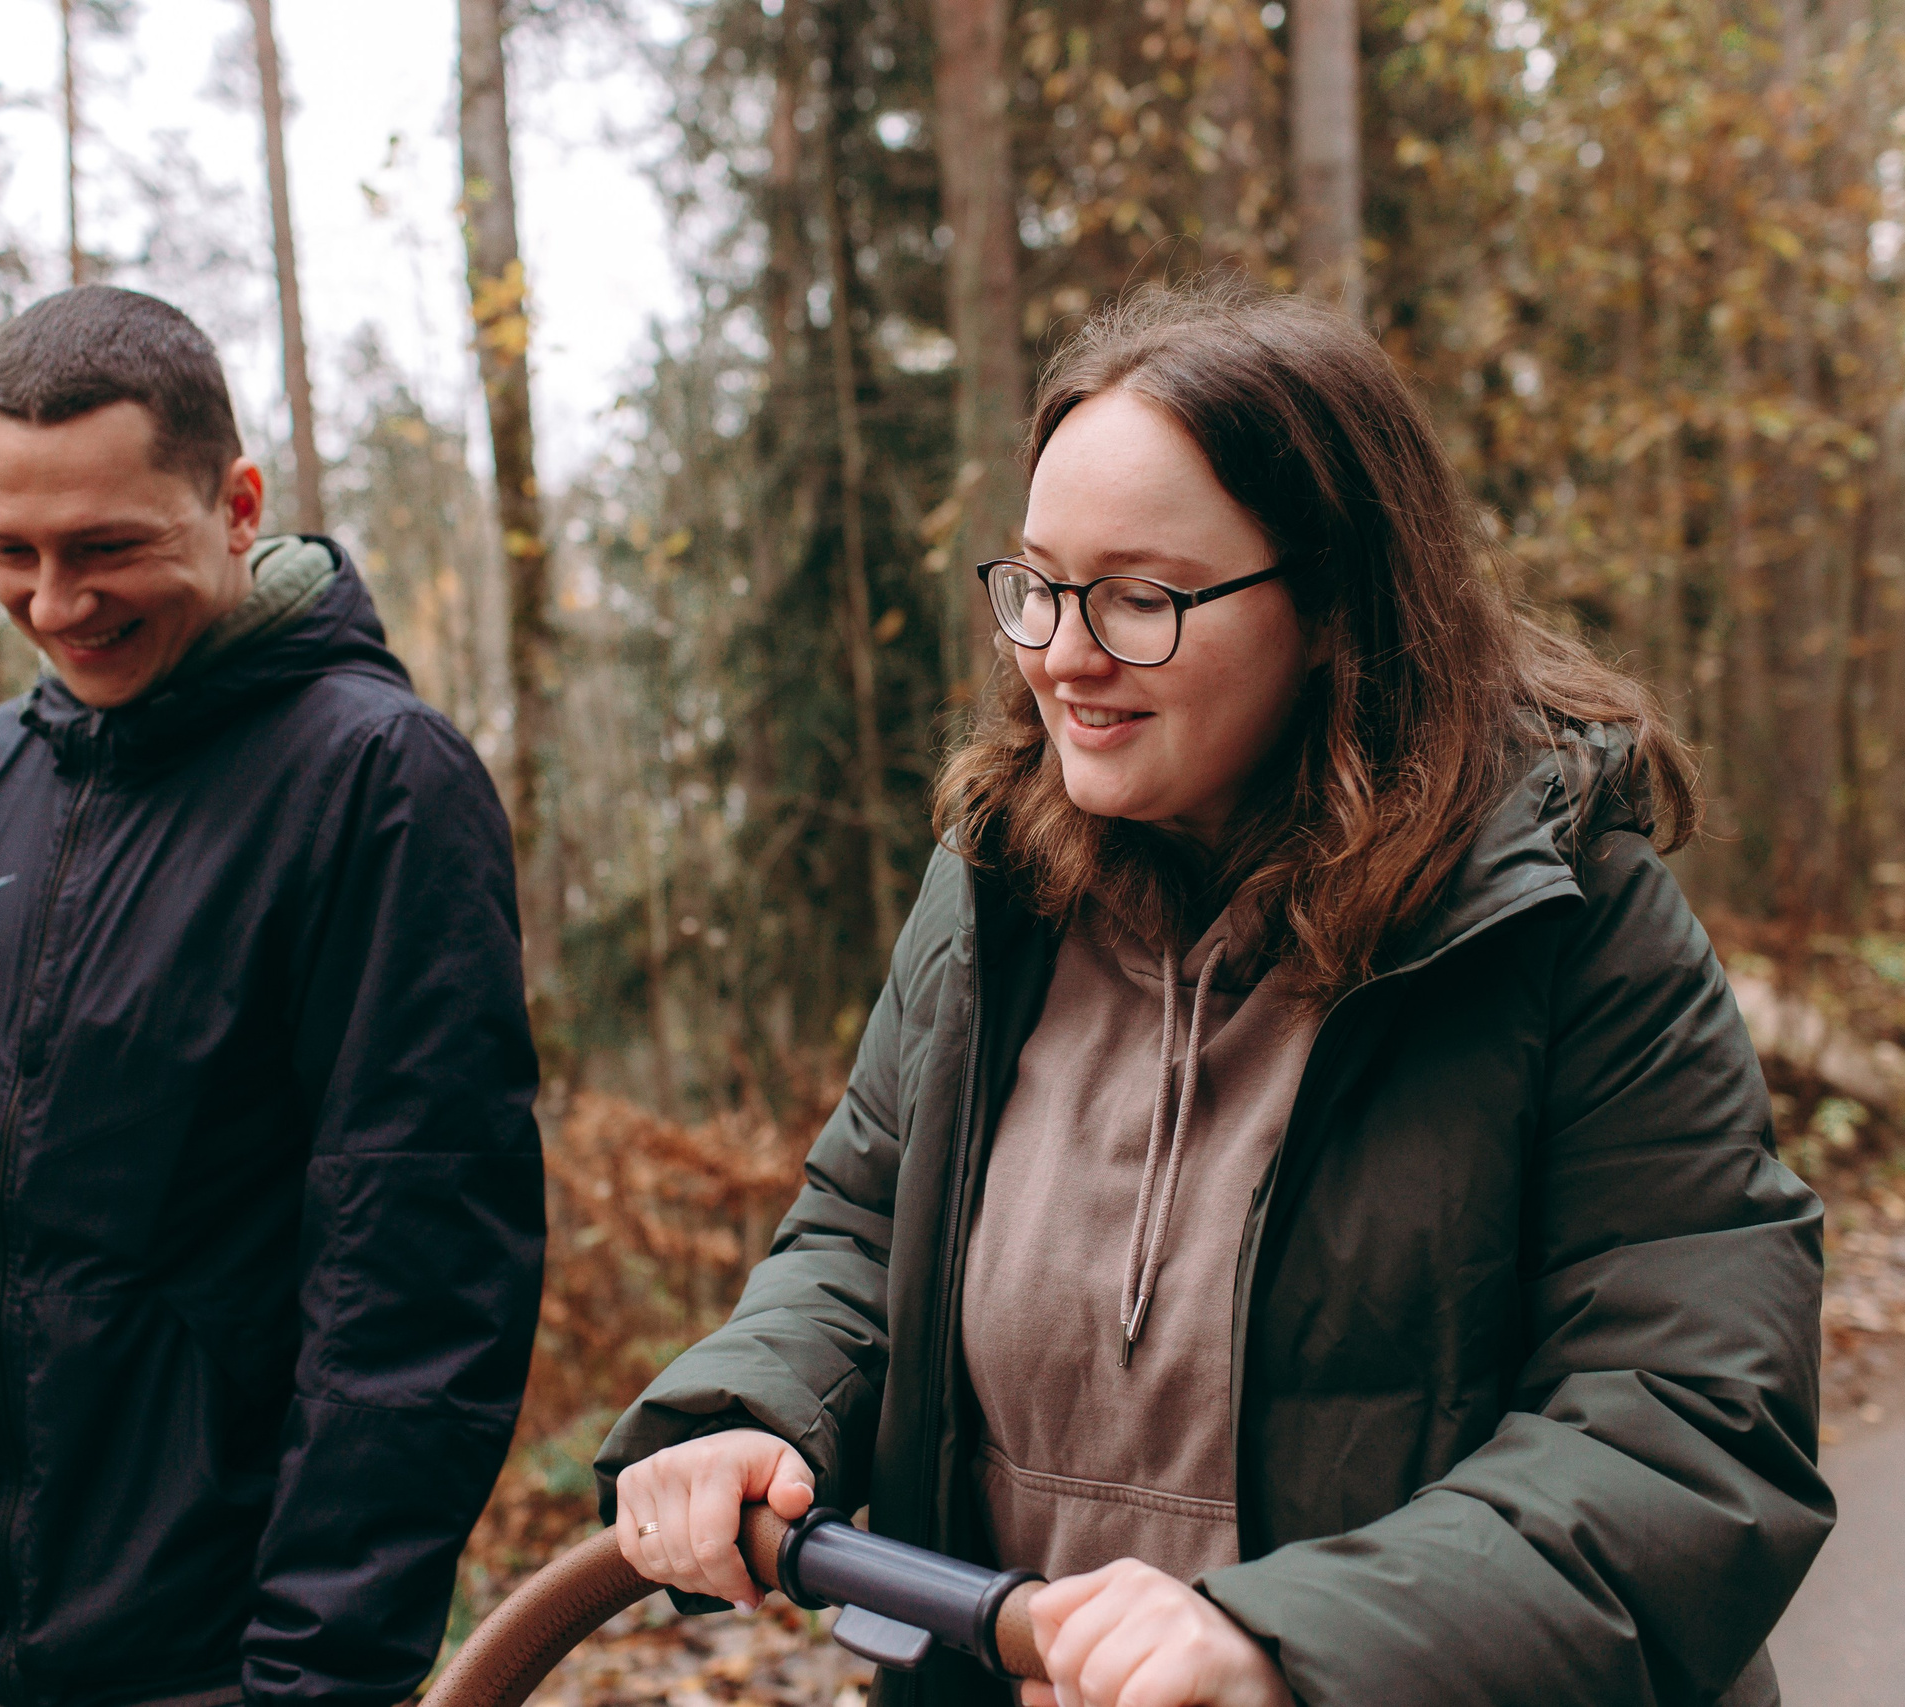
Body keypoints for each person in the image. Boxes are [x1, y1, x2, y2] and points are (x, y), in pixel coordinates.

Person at [597, 281, 1831, 1707]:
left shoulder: (1562, 923)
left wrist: (1290, 1639)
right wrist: (755, 1402)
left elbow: (1688, 1422)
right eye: (1041, 584)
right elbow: (870, 1235)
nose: (1062, 651)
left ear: (1328, 607)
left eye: (1140, 596)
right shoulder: (997, 887)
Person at [0, 286, 545, 1707]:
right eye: (11, 552)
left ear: (236, 502)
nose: (55, 605)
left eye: (106, 548)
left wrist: (315, 1681)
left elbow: (417, 1291)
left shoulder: (378, 784)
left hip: (233, 1665)